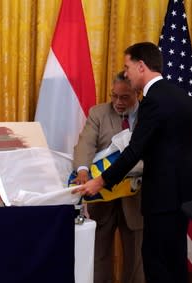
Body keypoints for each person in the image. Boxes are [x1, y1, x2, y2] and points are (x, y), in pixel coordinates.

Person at [73, 42, 192, 283]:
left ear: (141, 66)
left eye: (128, 67)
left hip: (159, 201)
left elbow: (134, 151)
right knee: (176, 263)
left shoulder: (153, 101)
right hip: (182, 200)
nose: (126, 72)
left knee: (155, 265)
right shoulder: (181, 96)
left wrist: (101, 181)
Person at [72, 71, 144, 283]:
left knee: (136, 257)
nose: (117, 102)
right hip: (101, 196)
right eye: (114, 96)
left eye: (124, 97)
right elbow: (85, 144)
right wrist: (83, 170)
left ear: (137, 93)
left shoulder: (149, 115)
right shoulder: (98, 113)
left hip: (135, 197)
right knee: (99, 255)